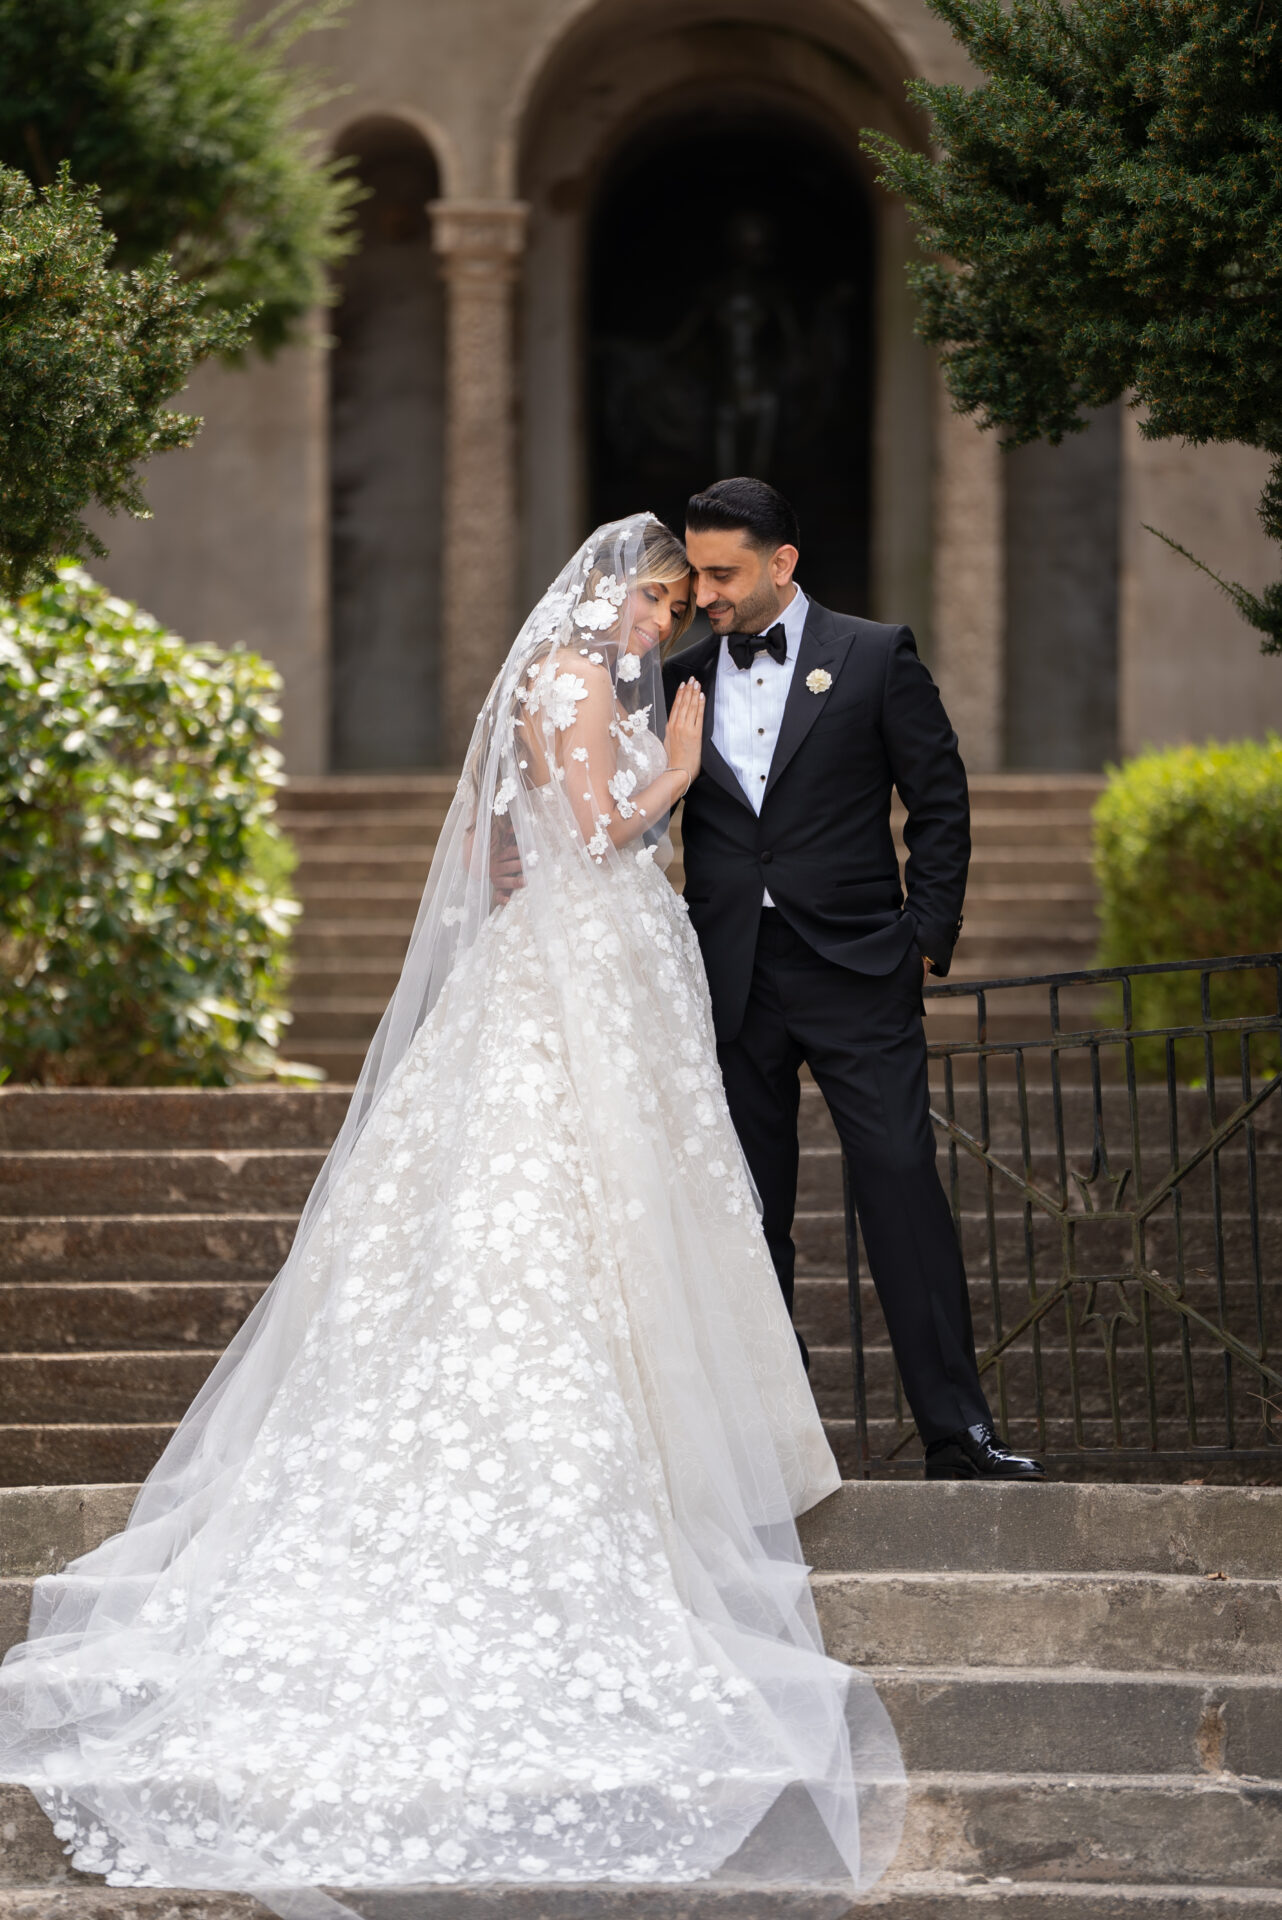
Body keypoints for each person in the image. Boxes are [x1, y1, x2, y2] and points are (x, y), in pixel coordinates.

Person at [0, 516, 904, 1918]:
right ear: (621, 593)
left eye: (681, 602)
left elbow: (521, 845)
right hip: (567, 966)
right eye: (664, 599)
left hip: (605, 965)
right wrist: (671, 768)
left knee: (624, 1204)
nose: (671, 623)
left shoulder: (594, 677)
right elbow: (589, 831)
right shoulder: (560, 682)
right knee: (528, 1201)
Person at [666, 476, 1045, 1482]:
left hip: (857, 970)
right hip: (729, 976)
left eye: (721, 572)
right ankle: (772, 1449)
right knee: (749, 1212)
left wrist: (925, 932)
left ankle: (956, 1434)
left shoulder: (876, 656)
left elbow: (939, 800)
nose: (701, 592)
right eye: (695, 570)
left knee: (900, 1190)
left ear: (780, 564)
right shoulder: (679, 675)